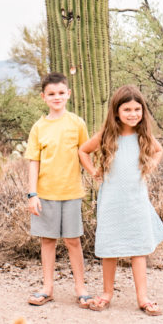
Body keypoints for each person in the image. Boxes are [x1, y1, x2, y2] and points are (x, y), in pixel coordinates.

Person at [78, 84, 163, 315]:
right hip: (111, 202)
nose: (133, 114)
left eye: (137, 109)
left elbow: (158, 151)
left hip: (136, 201)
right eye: (126, 109)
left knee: (138, 249)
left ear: (143, 111)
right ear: (116, 111)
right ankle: (107, 293)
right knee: (110, 248)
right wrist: (93, 171)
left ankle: (143, 298)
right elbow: (82, 151)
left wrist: (151, 166)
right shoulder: (108, 136)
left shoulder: (143, 136)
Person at [24, 71, 94, 307]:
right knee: (48, 241)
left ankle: (81, 288)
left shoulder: (77, 123)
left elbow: (84, 152)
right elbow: (34, 162)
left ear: (68, 94)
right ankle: (47, 288)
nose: (57, 97)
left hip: (72, 192)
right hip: (45, 194)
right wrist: (32, 194)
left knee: (73, 240)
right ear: (44, 97)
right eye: (52, 94)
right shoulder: (38, 127)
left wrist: (96, 173)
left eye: (61, 93)